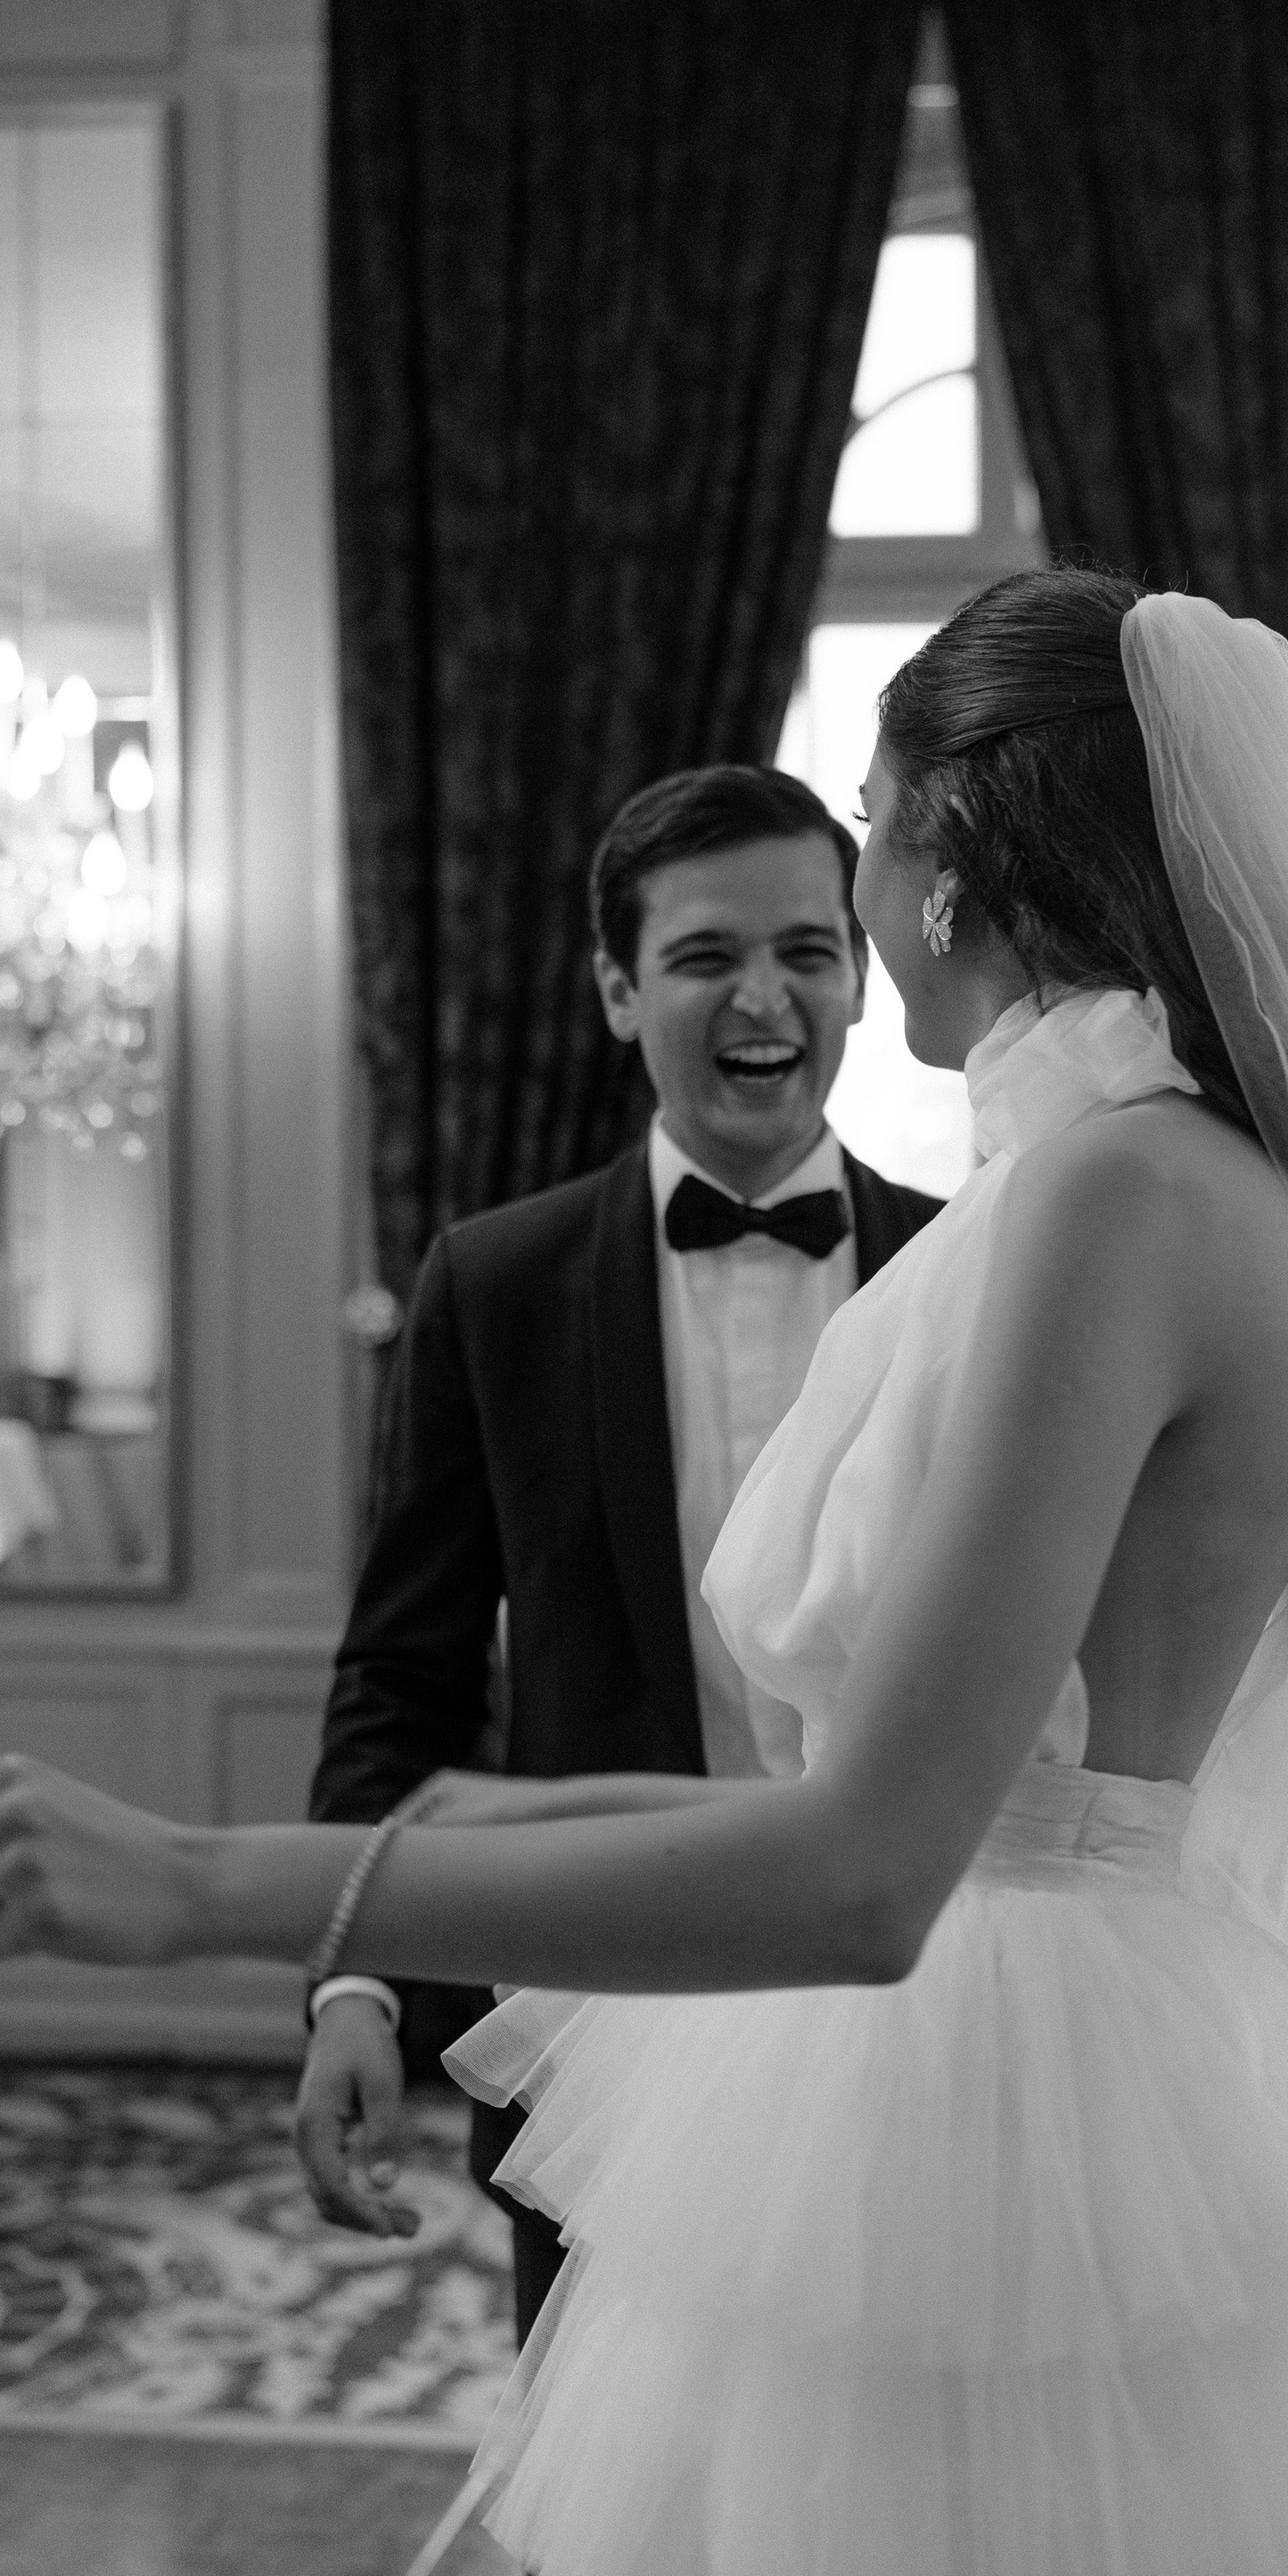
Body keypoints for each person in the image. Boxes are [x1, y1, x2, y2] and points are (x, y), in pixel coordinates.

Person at [0, 573, 1288, 2576]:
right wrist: (466, 1839)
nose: (844, 908)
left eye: (861, 833)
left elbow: (874, 1872)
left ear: (949, 857)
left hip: (983, 2117)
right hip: (1031, 2033)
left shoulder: (1101, 1206)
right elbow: (931, 1793)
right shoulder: (1169, 1186)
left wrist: (222, 1882)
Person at [295, 764, 940, 2338]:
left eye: (807, 948)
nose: (764, 995)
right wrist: (354, 1979)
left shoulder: (967, 1271)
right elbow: (405, 1668)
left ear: (859, 975)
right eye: (706, 955)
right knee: (605, 2518)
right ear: (614, 989)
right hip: (599, 1999)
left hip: (921, 2000)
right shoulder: (493, 1287)